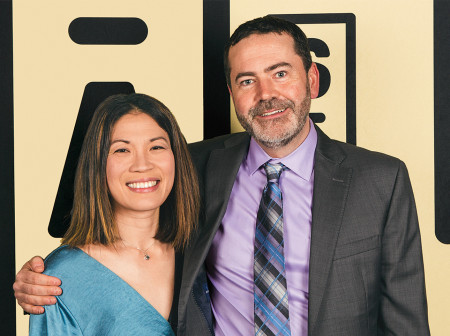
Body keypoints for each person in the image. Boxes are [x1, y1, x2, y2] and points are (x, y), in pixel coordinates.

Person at [15, 16, 429, 336]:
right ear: (233, 94)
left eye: (280, 73)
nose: (266, 94)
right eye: (247, 80)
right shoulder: (190, 166)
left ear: (312, 80)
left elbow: (406, 321)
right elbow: (120, 235)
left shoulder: (381, 180)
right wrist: (45, 279)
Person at [27, 93, 199, 335]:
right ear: (97, 164)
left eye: (157, 146)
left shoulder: (202, 252)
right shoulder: (61, 277)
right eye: (122, 150)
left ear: (176, 157)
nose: (142, 164)